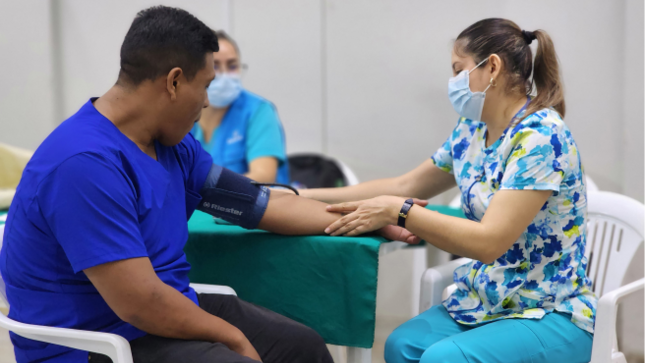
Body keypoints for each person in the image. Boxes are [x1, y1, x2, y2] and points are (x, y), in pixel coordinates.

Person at [0, 6, 419, 363]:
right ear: (174, 81)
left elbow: (263, 205)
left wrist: (366, 216)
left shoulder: (172, 148)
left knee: (302, 348)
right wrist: (232, 336)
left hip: (156, 314)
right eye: (205, 86)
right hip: (91, 341)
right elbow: (139, 302)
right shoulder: (84, 163)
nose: (206, 102)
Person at [301, 18, 596, 363]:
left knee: (442, 358)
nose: (453, 82)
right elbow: (405, 186)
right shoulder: (472, 129)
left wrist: (400, 212)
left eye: (459, 70)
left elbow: (489, 242)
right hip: (491, 299)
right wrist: (301, 196)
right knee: (401, 346)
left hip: (549, 311)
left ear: (493, 68)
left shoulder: (540, 137)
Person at [191, 30, 289, 184]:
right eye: (215, 66)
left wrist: (208, 190)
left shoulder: (258, 111)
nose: (224, 75)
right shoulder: (186, 114)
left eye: (232, 66)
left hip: (253, 205)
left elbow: (264, 176)